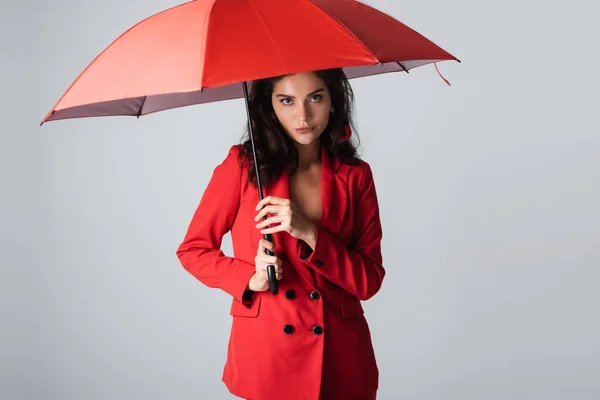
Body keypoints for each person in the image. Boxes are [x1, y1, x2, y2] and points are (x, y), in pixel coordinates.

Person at [176, 68, 385, 400]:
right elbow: (193, 250)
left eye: (315, 97)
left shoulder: (355, 176)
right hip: (268, 354)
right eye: (286, 101)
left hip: (340, 356)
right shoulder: (242, 168)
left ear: (333, 101)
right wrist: (249, 277)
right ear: (268, 106)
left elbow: (369, 280)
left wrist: (310, 233)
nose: (302, 115)